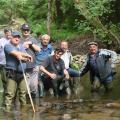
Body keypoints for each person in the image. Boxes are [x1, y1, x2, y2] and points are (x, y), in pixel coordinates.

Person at [4, 31, 32, 111]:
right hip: (12, 73)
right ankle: (7, 113)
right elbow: (16, 53)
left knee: (23, 93)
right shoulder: (7, 46)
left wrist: (23, 57)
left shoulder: (21, 47)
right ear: (11, 37)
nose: (17, 38)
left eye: (18, 37)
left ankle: (23, 112)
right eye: (15, 37)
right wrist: (25, 55)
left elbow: (27, 58)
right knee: (10, 94)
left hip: (22, 73)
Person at [21, 24, 40, 98]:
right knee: (26, 89)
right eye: (24, 30)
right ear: (22, 31)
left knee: (34, 87)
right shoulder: (18, 39)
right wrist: (23, 46)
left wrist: (31, 44)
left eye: (27, 30)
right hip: (24, 67)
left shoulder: (33, 39)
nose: (26, 31)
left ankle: (35, 105)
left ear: (29, 31)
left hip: (34, 66)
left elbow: (38, 49)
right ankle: (26, 106)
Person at [0, 28, 12, 106]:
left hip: (11, 64)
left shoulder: (13, 40)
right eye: (7, 33)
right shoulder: (1, 40)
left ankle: (9, 98)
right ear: (4, 33)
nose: (8, 34)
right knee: (5, 81)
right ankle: (5, 99)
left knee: (10, 81)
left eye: (9, 33)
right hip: (2, 63)